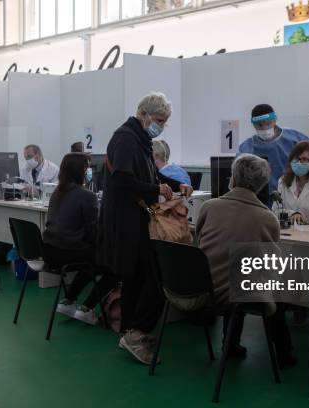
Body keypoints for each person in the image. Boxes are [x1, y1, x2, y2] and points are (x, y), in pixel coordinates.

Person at [99, 92, 193, 365]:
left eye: (165, 121)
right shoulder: (126, 139)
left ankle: (130, 333)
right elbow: (122, 180)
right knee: (154, 277)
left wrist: (174, 186)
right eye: (159, 120)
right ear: (144, 114)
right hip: (128, 222)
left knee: (135, 278)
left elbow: (151, 173)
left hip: (135, 220)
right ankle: (136, 332)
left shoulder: (140, 139)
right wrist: (156, 190)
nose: (161, 125)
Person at [196, 153, 296, 366]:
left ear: (232, 178)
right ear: (261, 185)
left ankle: (230, 344)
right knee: (272, 285)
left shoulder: (209, 207)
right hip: (230, 293)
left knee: (236, 270)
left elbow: (199, 243)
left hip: (199, 288)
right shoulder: (266, 218)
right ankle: (284, 353)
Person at [42, 153, 117, 325]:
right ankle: (87, 307)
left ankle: (68, 300)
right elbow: (92, 233)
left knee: (91, 259)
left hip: (50, 251)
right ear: (80, 171)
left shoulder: (57, 192)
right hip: (68, 252)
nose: (89, 171)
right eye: (87, 167)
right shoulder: (86, 196)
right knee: (114, 267)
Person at [238, 104, 309, 193]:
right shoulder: (246, 148)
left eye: (268, 123)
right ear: (254, 125)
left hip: (292, 193)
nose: (265, 128)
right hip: (261, 198)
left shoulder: (294, 138)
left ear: (275, 120)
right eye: (260, 125)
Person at [277, 141, 309, 225]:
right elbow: (275, 210)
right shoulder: (283, 181)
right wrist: (292, 214)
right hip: (289, 232)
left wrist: (302, 216)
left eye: (304, 159)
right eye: (297, 159)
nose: (299, 163)